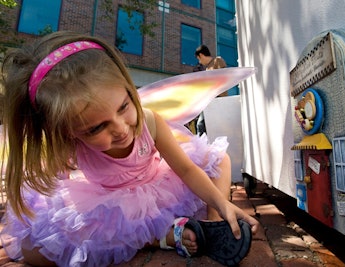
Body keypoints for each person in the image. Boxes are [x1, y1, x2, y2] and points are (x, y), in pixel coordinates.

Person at [0, 31, 260, 267]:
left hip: (160, 186)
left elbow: (186, 169)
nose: (121, 129)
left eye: (124, 106)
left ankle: (214, 223)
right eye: (96, 128)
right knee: (33, 250)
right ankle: (161, 236)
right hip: (117, 206)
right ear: (69, 133)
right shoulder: (69, 144)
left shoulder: (148, 121)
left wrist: (221, 203)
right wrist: (58, 223)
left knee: (219, 159)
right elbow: (58, 191)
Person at [194, 44, 227, 136]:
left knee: (201, 125)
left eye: (198, 59)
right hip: (210, 100)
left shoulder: (217, 60)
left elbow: (224, 76)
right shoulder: (207, 68)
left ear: (201, 55)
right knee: (204, 126)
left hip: (218, 99)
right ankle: (205, 147)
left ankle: (201, 147)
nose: (199, 62)